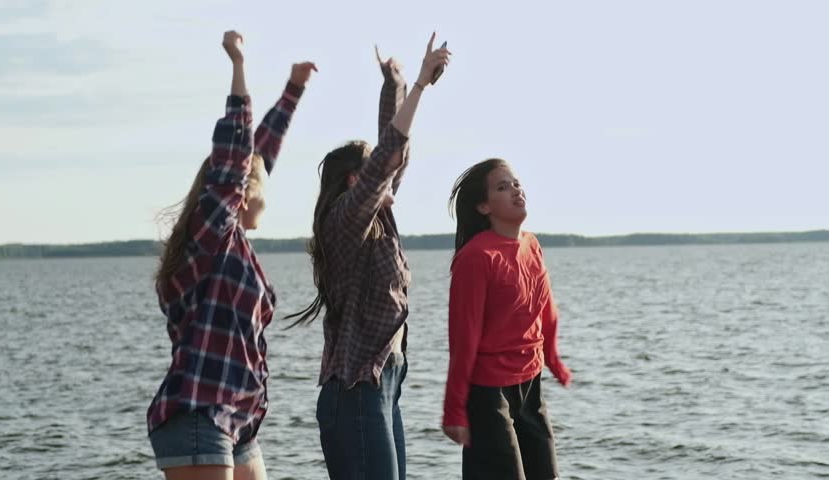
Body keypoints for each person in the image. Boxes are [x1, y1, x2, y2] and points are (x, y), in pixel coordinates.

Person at [146, 30, 315, 480]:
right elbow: (239, 153)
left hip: (238, 419)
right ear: (242, 194)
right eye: (258, 185)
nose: (267, 193)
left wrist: (293, 91)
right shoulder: (212, 237)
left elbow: (258, 156)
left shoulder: (229, 242)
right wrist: (238, 64)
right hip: (199, 412)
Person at [287, 33, 450, 479]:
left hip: (382, 384)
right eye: (377, 173)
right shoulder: (344, 220)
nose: (391, 176)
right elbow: (389, 154)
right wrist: (417, 85)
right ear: (355, 180)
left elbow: (392, 148)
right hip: (356, 391)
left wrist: (393, 83)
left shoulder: (377, 217)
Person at [442, 158, 573, 480]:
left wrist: (553, 359)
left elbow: (547, 308)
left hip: (530, 383)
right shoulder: (476, 258)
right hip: (489, 393)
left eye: (515, 183)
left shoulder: (531, 244)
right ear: (484, 206)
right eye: (502, 187)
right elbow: (464, 337)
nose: (516, 190)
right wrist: (454, 409)